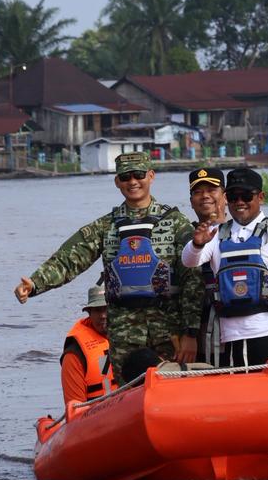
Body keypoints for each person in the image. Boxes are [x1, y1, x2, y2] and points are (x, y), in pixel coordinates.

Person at [14, 151, 204, 379]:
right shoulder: (106, 226)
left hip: (169, 329)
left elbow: (193, 279)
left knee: (175, 390)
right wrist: (35, 283)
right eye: (125, 177)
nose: (133, 182)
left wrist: (190, 332)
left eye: (139, 175)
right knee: (128, 392)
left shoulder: (175, 223)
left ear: (151, 176)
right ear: (117, 182)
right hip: (124, 333)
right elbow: (69, 258)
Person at [182, 165, 268, 370]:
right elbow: (189, 260)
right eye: (233, 196)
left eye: (246, 196)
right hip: (232, 336)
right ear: (226, 199)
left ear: (261, 197)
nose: (239, 202)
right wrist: (197, 243)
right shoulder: (217, 234)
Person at [188, 166, 228, 366]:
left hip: (236, 320)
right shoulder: (185, 238)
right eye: (198, 192)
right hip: (200, 324)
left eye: (211, 190)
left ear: (224, 196)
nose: (205, 196)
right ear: (191, 202)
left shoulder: (245, 232)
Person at [60, 285, 117, 404]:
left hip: (129, 410)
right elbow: (75, 410)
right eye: (97, 310)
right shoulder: (74, 354)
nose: (103, 316)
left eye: (106, 309)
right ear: (89, 313)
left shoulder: (131, 340)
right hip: (96, 417)